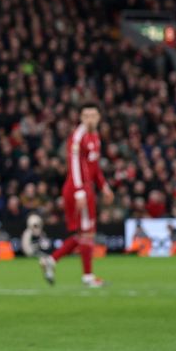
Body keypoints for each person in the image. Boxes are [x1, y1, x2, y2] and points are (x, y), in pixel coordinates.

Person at [49, 102, 112, 287]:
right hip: (78, 189)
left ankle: (52, 260)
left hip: (87, 188)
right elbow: (74, 165)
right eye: (86, 116)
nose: (90, 119)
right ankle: (87, 277)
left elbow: (95, 168)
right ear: (81, 118)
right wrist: (79, 192)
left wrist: (105, 187)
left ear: (99, 117)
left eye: (93, 115)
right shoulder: (78, 137)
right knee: (86, 233)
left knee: (86, 233)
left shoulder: (95, 136)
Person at [21, 213, 57, 283]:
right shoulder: (28, 233)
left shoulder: (41, 233)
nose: (35, 227)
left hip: (40, 252)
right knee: (44, 260)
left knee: (47, 259)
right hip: (33, 253)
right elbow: (26, 247)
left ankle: (49, 273)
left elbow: (45, 245)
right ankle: (48, 273)